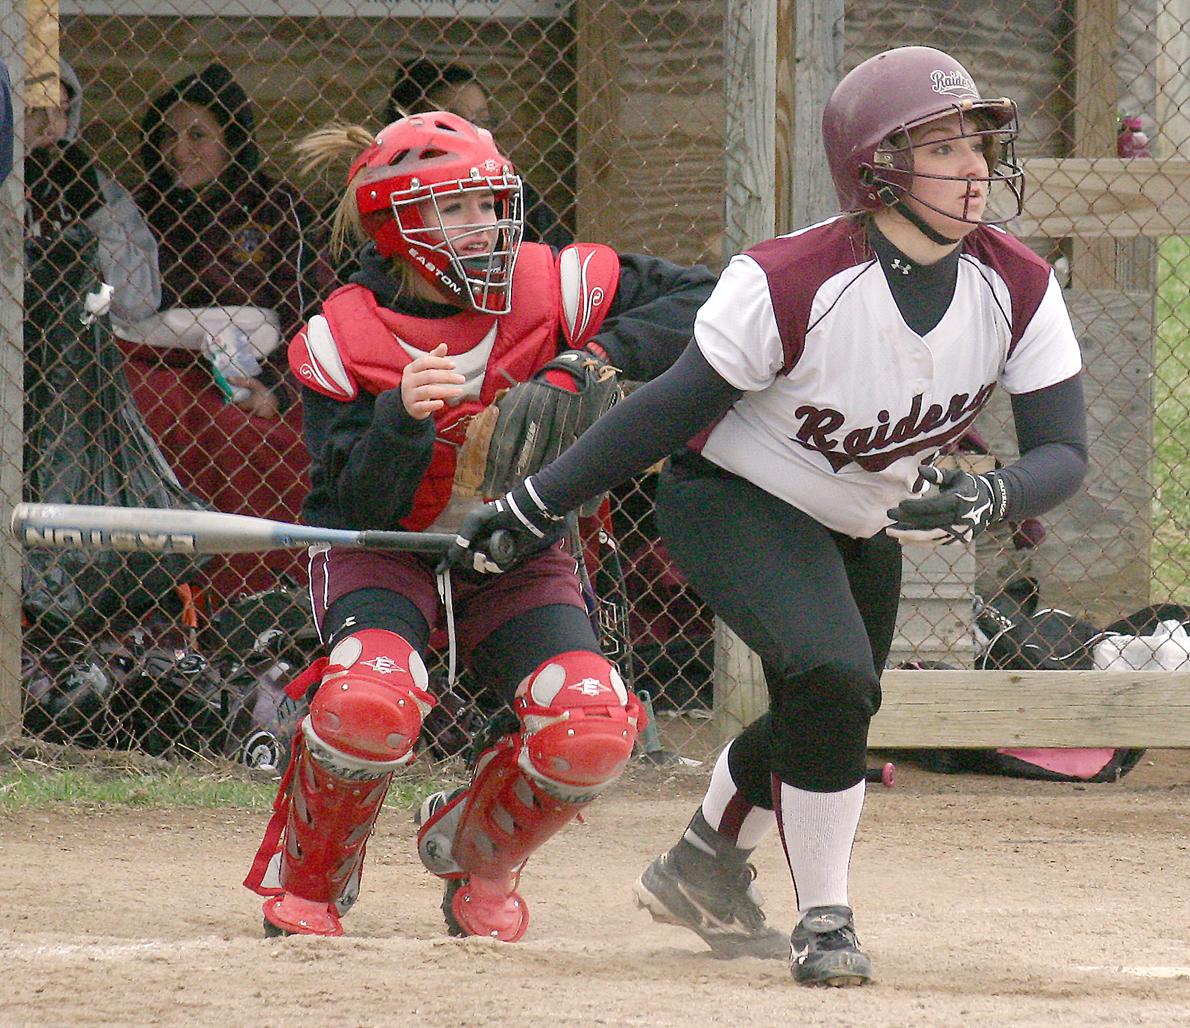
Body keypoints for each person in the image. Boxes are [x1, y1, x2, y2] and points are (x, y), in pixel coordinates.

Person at [447, 46, 1089, 986]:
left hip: (857, 520)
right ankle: (825, 919)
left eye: (979, 146)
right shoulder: (792, 278)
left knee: (832, 704)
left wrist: (991, 495)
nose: (974, 169)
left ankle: (702, 865)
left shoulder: (1019, 286)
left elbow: (1064, 454)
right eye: (942, 149)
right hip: (734, 499)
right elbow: (666, 409)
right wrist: (531, 504)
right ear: (875, 171)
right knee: (831, 675)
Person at [241, 110, 716, 942]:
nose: (488, 227)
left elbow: (711, 300)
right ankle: (314, 873)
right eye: (456, 210)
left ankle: (477, 852)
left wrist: (591, 360)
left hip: (516, 546)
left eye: (493, 205)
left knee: (590, 723)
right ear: (396, 226)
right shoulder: (340, 336)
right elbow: (356, 505)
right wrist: (400, 421)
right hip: (383, 552)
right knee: (369, 697)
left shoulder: (558, 284)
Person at [117, 61, 329, 604]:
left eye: (197, 135)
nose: (178, 150)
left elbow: (313, 308)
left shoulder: (276, 208)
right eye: (167, 135)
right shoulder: (138, 211)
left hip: (262, 376)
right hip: (166, 371)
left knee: (254, 441)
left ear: (232, 141)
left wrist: (281, 386)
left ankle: (263, 601)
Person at [386, 59, 571, 249]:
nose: (470, 132)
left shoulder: (511, 190)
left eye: (481, 121)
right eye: (454, 122)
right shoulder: (383, 193)